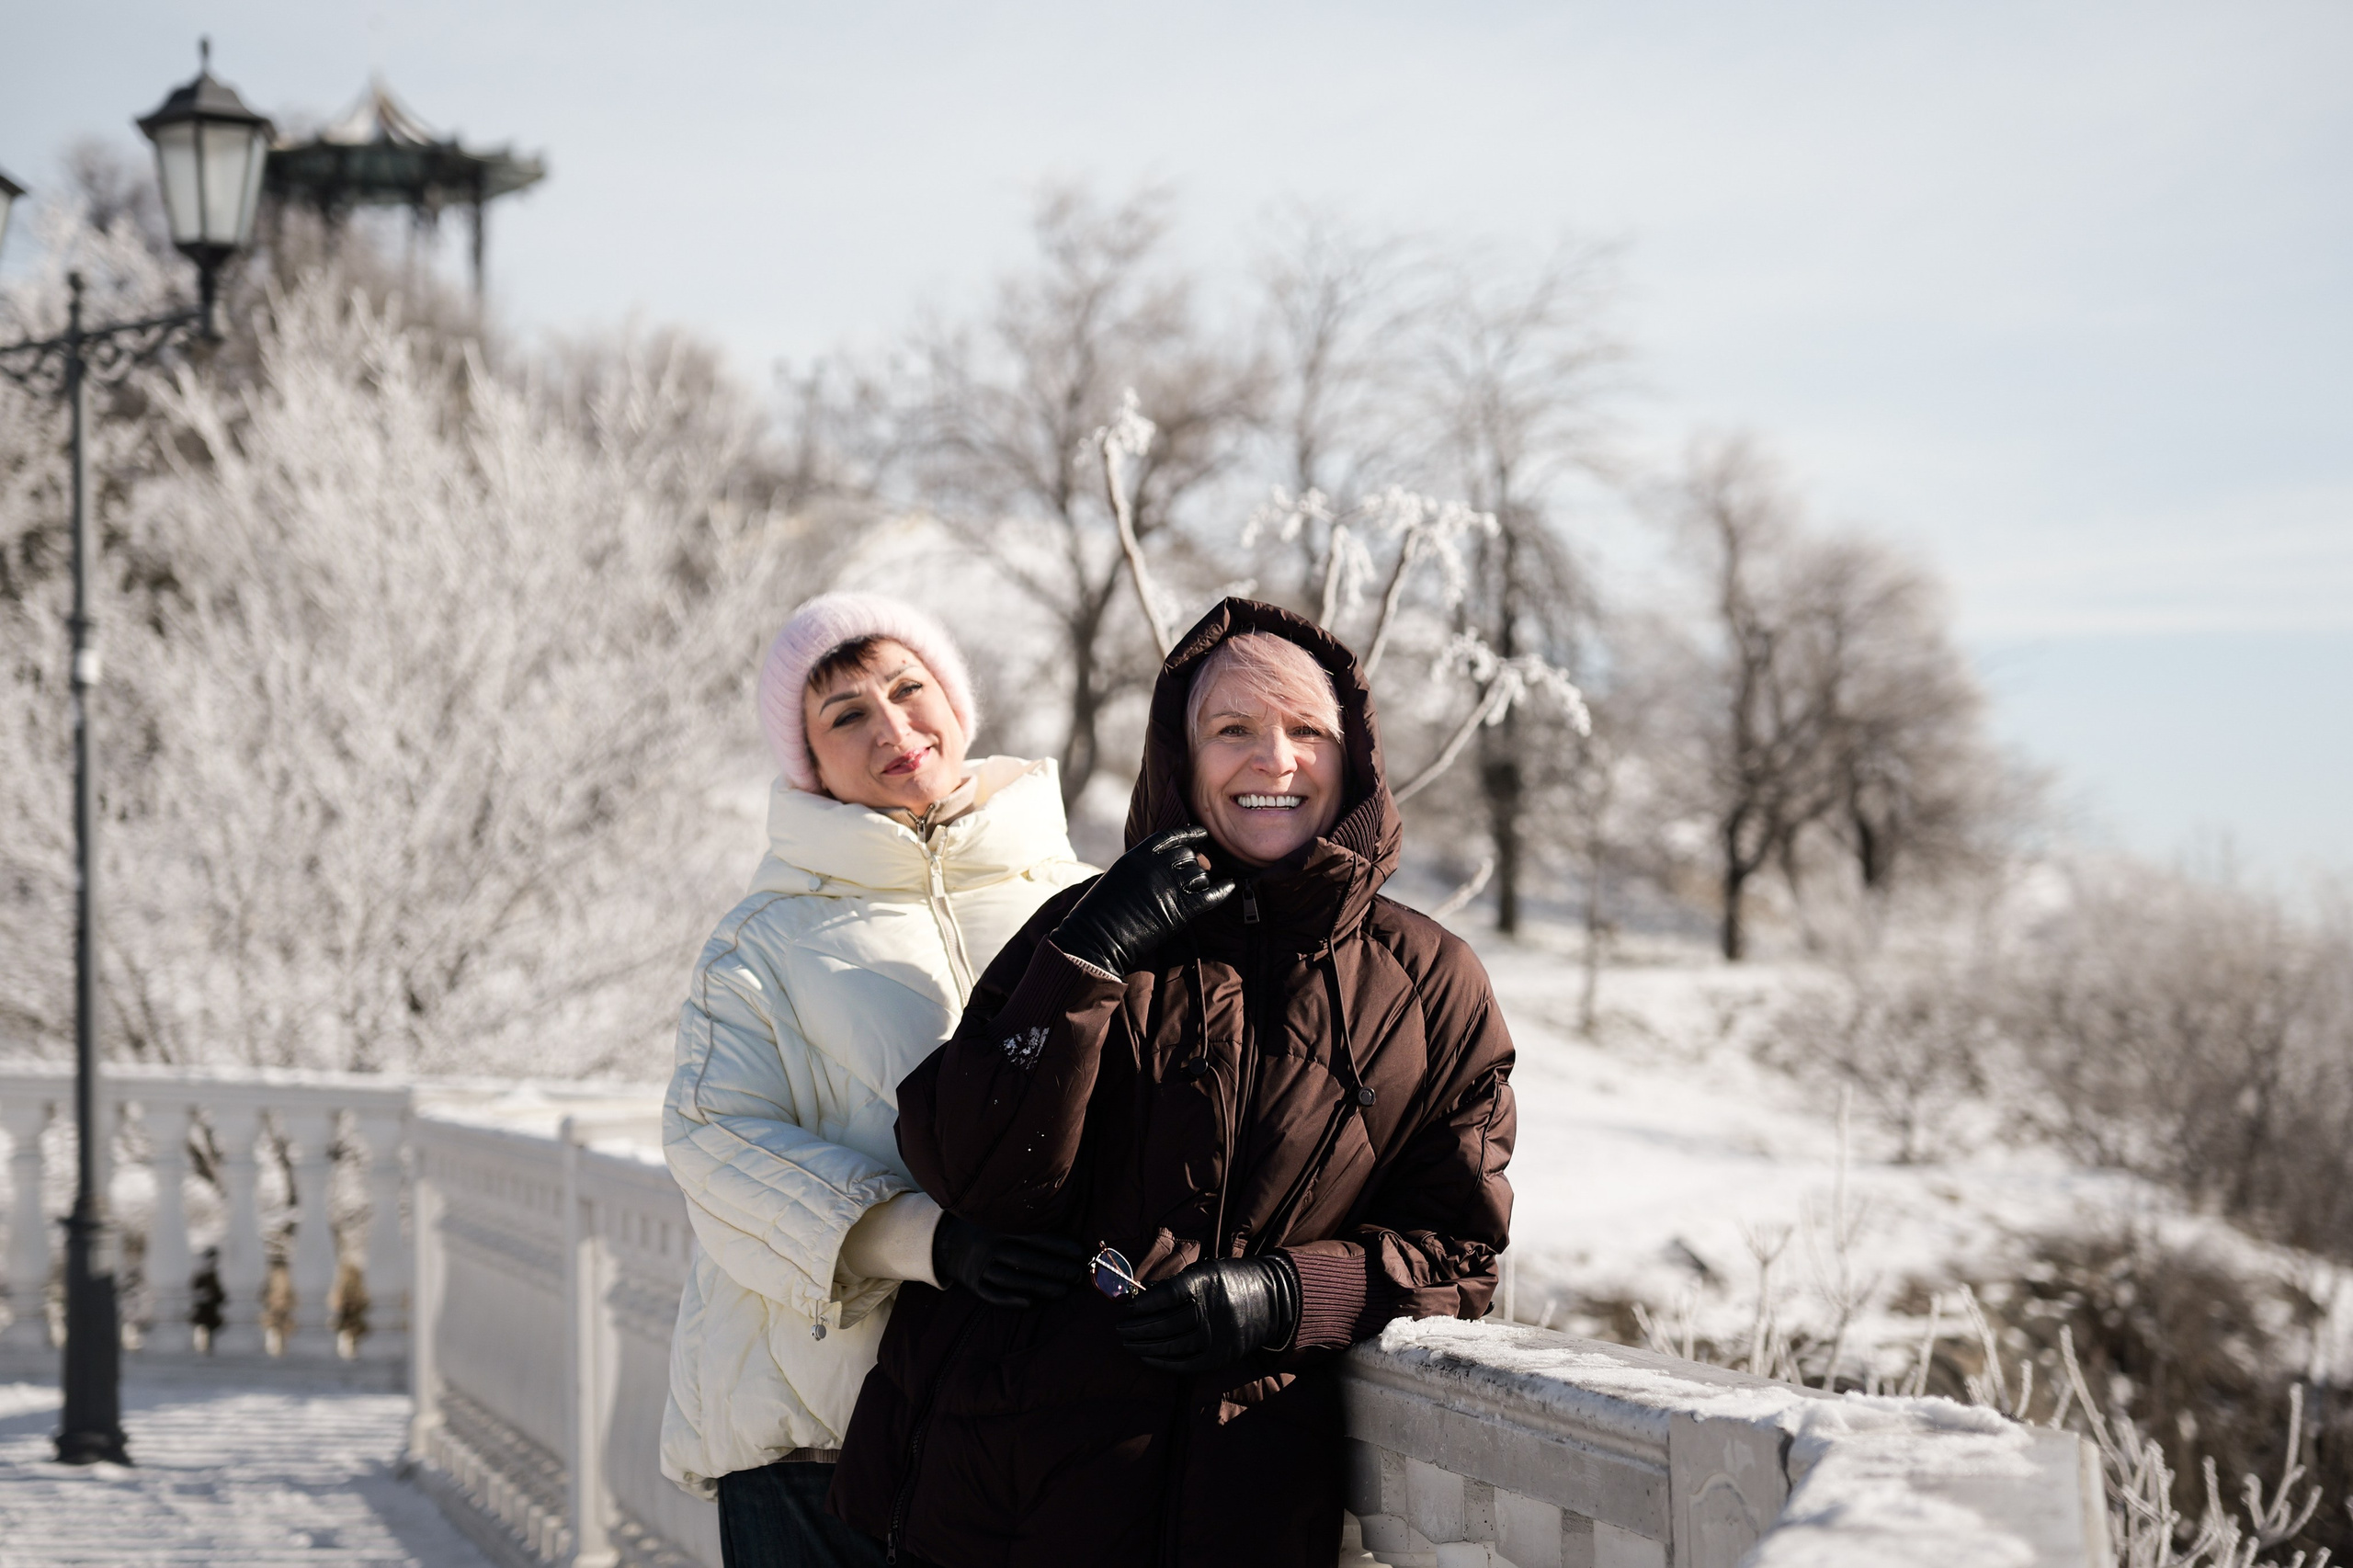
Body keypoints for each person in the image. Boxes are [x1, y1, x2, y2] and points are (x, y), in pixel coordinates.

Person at [831, 598, 1517, 1567]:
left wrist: (1289, 1295)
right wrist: (1091, 955)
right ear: (1180, 758)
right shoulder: (1079, 926)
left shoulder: (1431, 984)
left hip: (1239, 1508)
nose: (1273, 761)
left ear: (1353, 756)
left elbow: (1459, 1249)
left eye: (1306, 731)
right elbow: (976, 1175)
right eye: (1231, 729)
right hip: (1004, 1501)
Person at [660, 592, 1097, 1568]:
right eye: (846, 714)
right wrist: (921, 1238)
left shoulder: (1084, 906)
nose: (893, 729)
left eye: (909, 688)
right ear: (809, 763)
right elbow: (712, 1138)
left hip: (1028, 1432)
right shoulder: (762, 939)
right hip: (817, 1434)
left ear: (956, 701)